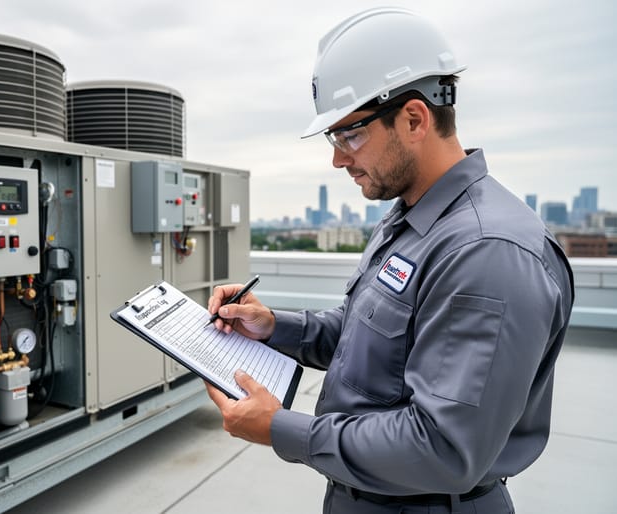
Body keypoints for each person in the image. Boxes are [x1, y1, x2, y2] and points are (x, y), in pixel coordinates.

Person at [205, 7, 574, 514]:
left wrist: (280, 428)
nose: (338, 158)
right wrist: (272, 327)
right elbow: (371, 342)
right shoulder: (411, 218)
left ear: (415, 119)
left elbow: (442, 448)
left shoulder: (487, 252)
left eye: (349, 134)